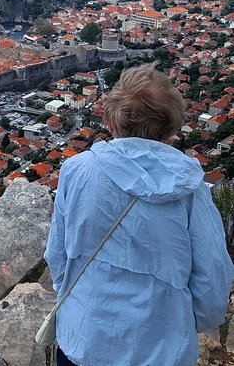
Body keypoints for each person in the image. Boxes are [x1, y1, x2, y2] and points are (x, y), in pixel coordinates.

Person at [44, 65, 234, 366]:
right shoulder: (190, 189)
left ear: (112, 119)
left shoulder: (77, 171)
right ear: (171, 124)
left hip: (84, 338)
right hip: (160, 348)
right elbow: (212, 275)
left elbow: (58, 254)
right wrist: (187, 323)